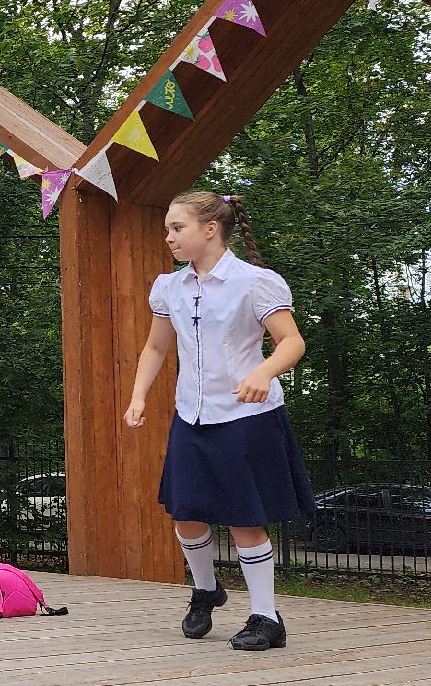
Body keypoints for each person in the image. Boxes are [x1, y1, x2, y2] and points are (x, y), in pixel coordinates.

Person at [125, 191, 311, 652]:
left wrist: (264, 371)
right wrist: (138, 396)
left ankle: (267, 618)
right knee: (185, 512)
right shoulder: (169, 287)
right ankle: (206, 588)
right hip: (191, 414)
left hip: (246, 416)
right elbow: (155, 348)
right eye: (167, 228)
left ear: (210, 229)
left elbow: (291, 342)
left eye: (177, 228)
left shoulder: (255, 282)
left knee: (245, 519)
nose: (168, 237)